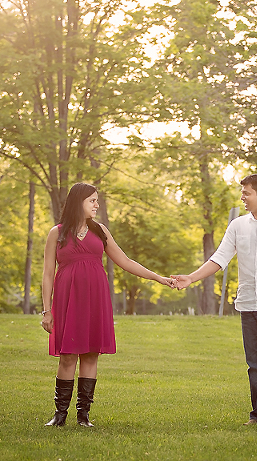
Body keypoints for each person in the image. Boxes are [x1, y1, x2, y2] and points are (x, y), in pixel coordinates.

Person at [172, 174, 257, 429]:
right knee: (255, 364)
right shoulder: (237, 226)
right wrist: (191, 278)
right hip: (249, 303)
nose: (243, 198)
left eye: (246, 193)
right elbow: (220, 258)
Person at [41, 182, 175, 427]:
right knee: (68, 356)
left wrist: (158, 277)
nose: (96, 204)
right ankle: (59, 416)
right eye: (92, 200)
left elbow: (125, 261)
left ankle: (84, 417)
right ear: (78, 201)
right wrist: (47, 311)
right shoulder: (57, 233)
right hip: (68, 300)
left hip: (95, 298)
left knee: (91, 354)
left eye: (97, 200)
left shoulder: (100, 231)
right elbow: (48, 272)